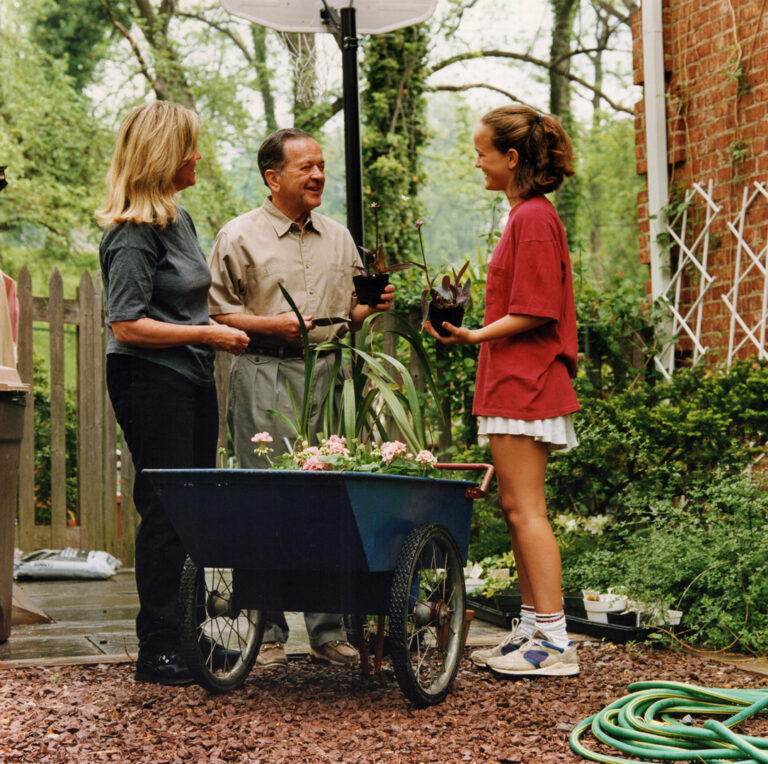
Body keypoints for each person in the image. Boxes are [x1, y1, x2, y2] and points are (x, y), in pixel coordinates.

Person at [208, 127, 394, 668]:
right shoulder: (237, 236)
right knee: (266, 496)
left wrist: (372, 304)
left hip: (330, 376)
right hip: (264, 369)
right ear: (273, 177)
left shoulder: (339, 238)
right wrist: (271, 325)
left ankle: (328, 630)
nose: (318, 175)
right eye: (305, 167)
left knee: (330, 495)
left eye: (321, 165)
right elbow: (217, 315)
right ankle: (265, 632)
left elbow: (352, 315)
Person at [96, 101, 250, 685]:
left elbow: (191, 303)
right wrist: (208, 333)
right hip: (148, 376)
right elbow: (127, 324)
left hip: (188, 374)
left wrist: (228, 327)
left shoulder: (177, 221)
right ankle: (158, 646)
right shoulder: (133, 235)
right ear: (164, 155)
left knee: (192, 504)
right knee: (164, 507)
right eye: (191, 146)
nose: (199, 156)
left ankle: (188, 632)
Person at [425, 105, 580, 677]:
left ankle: (556, 643)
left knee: (526, 510)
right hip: (514, 381)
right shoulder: (524, 216)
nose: (476, 162)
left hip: (528, 382)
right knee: (517, 509)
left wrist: (470, 334)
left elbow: (535, 310)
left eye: (482, 152)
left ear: (511, 159)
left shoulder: (533, 218)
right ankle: (535, 628)